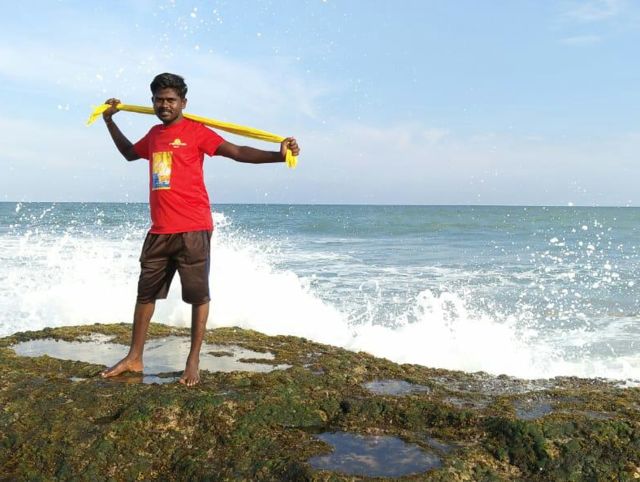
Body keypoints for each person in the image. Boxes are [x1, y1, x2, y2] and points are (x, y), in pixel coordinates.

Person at [99, 73, 300, 386]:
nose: (164, 105)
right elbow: (128, 153)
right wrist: (109, 121)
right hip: (159, 231)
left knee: (197, 296)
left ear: (183, 103)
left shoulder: (196, 132)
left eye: (171, 100)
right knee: (145, 294)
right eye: (159, 100)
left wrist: (279, 155)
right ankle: (134, 357)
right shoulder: (154, 135)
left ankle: (193, 360)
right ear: (152, 102)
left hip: (193, 229)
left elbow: (237, 152)